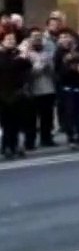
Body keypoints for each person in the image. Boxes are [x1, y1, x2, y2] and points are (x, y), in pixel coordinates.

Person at [54, 30, 79, 147]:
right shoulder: (59, 53)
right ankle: (71, 136)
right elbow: (58, 71)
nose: (65, 39)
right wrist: (74, 68)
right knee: (69, 112)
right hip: (67, 87)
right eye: (62, 37)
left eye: (67, 37)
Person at [22, 29, 57, 149]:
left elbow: (53, 72)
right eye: (34, 36)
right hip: (32, 91)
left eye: (39, 36)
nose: (37, 38)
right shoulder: (25, 53)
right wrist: (37, 68)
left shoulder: (47, 53)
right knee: (30, 119)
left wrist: (48, 66)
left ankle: (46, 138)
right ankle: (29, 142)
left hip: (48, 89)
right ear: (29, 39)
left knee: (47, 117)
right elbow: (24, 73)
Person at [0, 31, 33, 159]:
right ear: (2, 41)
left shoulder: (19, 54)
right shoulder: (2, 55)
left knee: (16, 123)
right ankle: (6, 146)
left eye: (13, 39)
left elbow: (28, 66)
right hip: (3, 94)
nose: (11, 41)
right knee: (6, 123)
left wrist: (23, 57)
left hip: (18, 93)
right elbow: (8, 67)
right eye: (8, 39)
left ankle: (15, 146)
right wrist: (21, 59)